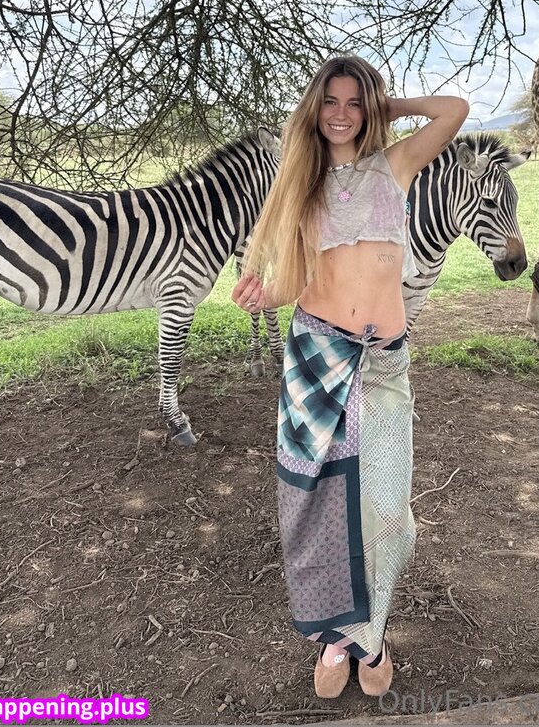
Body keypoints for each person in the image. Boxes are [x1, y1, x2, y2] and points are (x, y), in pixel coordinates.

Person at [231, 55, 468, 699]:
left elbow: (453, 111)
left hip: (383, 361)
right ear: (314, 109)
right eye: (330, 101)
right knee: (317, 504)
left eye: (353, 102)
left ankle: (374, 630)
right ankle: (338, 639)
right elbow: (296, 282)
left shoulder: (394, 165)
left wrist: (384, 106)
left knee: (386, 510)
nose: (341, 114)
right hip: (317, 354)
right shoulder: (300, 187)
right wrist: (265, 295)